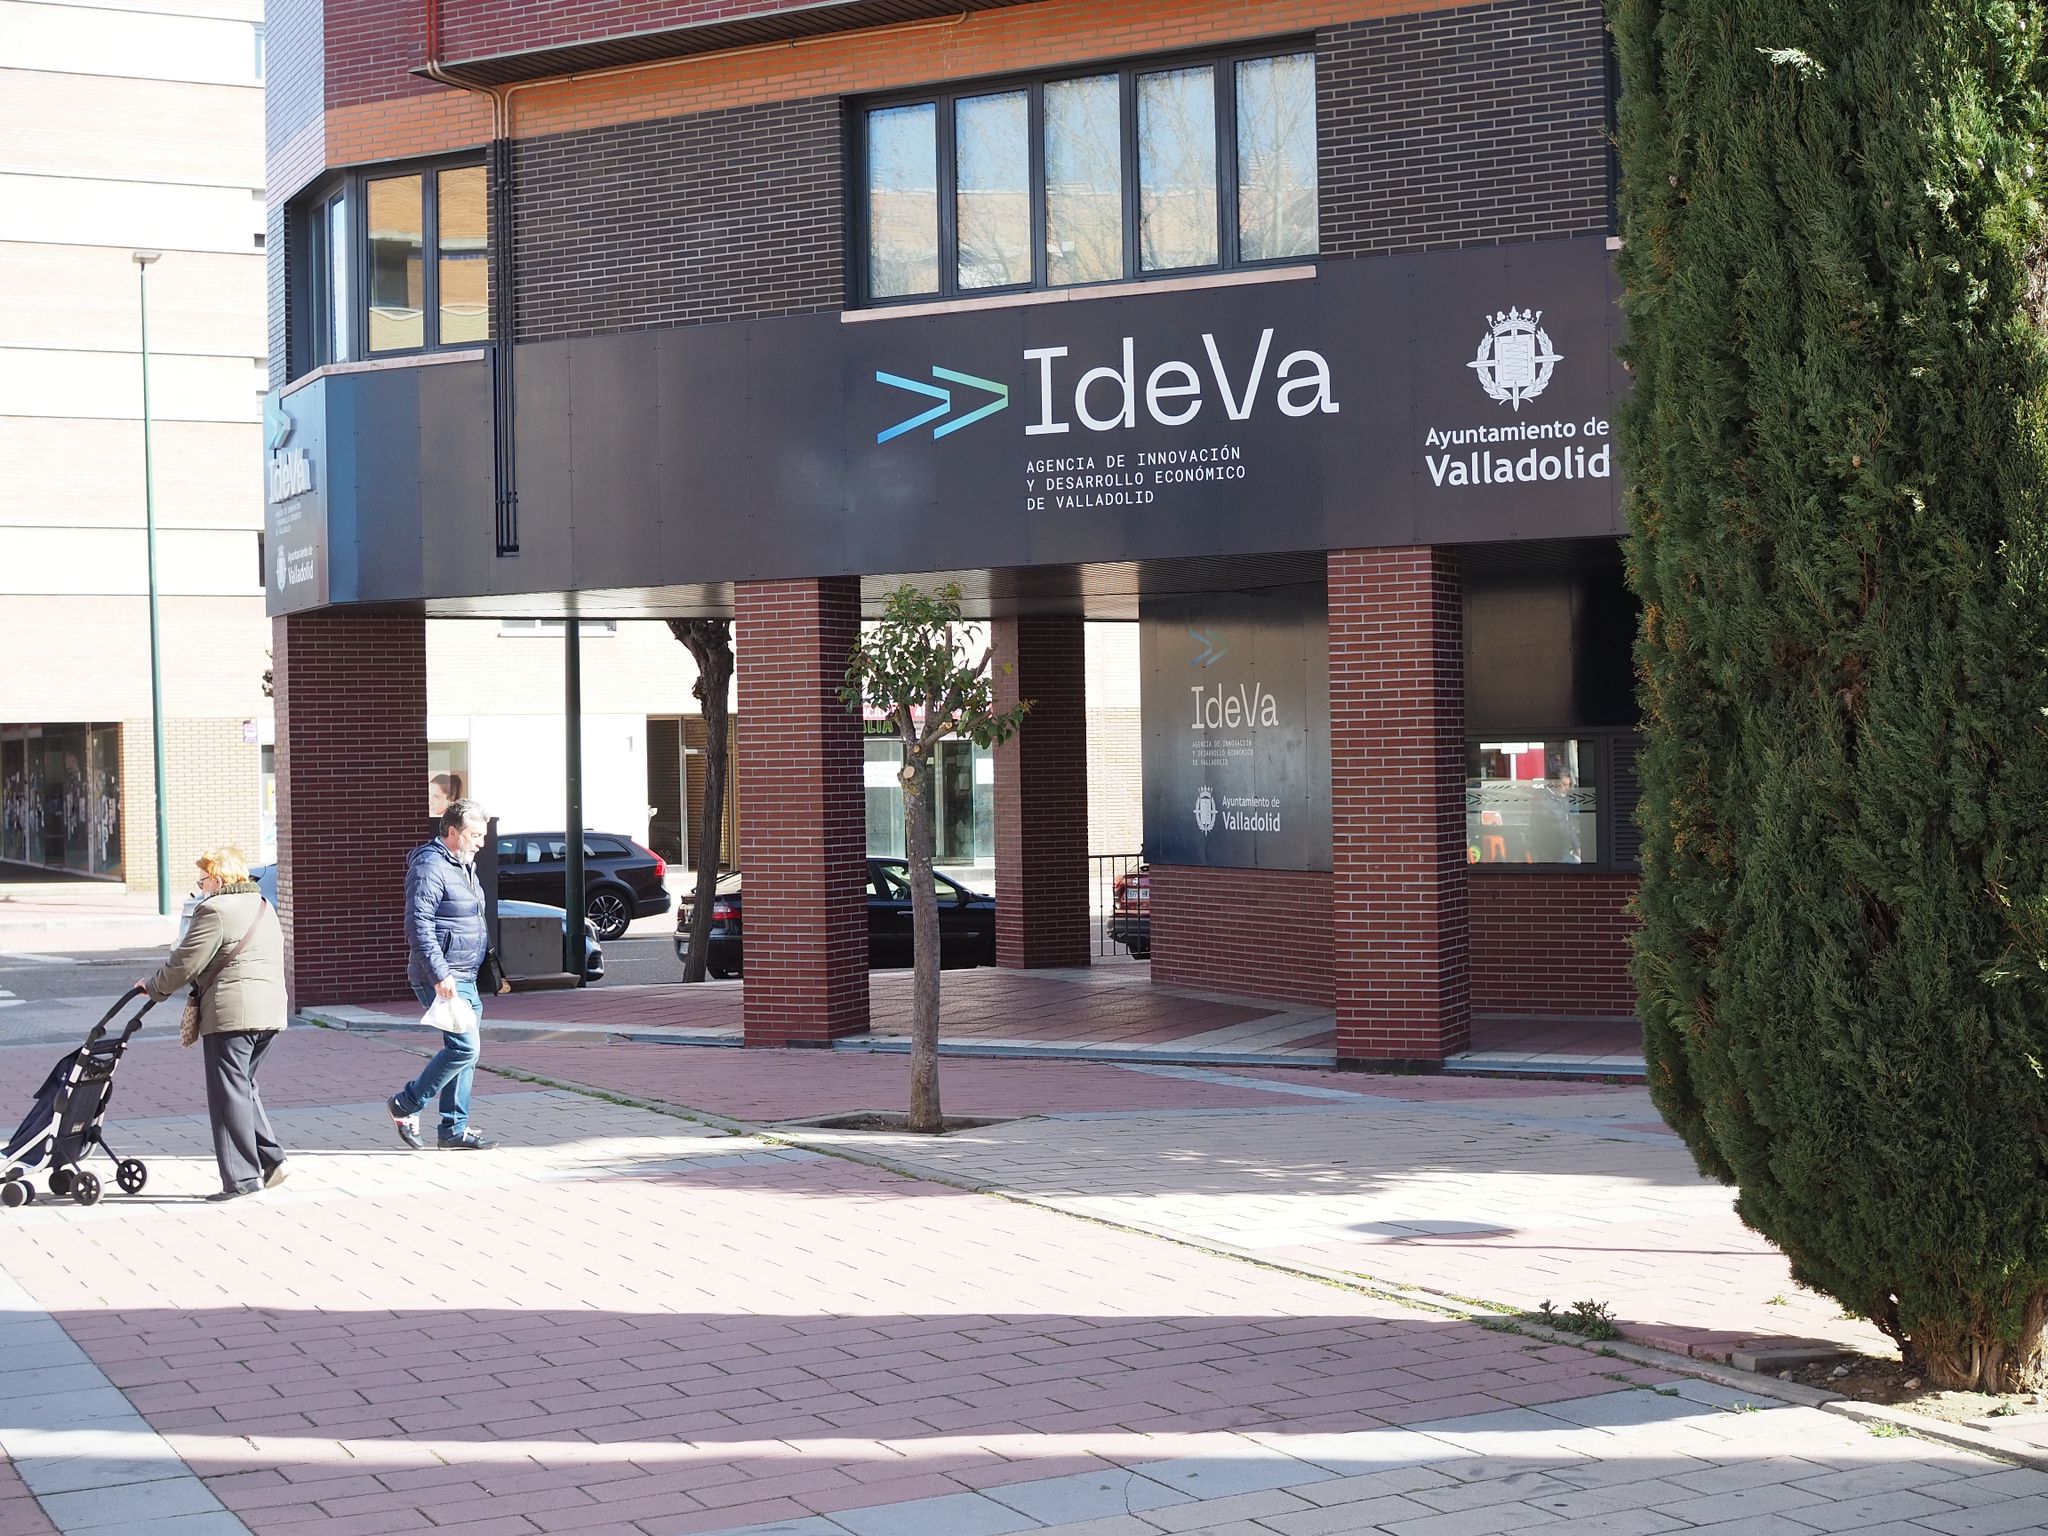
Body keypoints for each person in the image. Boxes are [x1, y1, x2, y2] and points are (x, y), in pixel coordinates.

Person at [140, 847, 288, 1201]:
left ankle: (242, 1179)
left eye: (203, 880)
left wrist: (153, 987)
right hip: (269, 1013)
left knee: (226, 1094)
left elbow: (185, 962)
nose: (201, 886)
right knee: (243, 1086)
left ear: (218, 880)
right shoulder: (263, 906)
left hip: (232, 1014)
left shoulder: (215, 910)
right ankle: (271, 1159)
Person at [387, 798, 497, 1151]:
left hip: (466, 974)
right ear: (452, 831)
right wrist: (439, 973)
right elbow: (418, 924)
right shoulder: (429, 866)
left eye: (482, 835)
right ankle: (406, 1104)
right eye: (475, 835)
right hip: (443, 976)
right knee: (464, 1048)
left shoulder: (463, 865)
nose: (481, 843)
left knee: (465, 1052)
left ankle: (453, 1129)